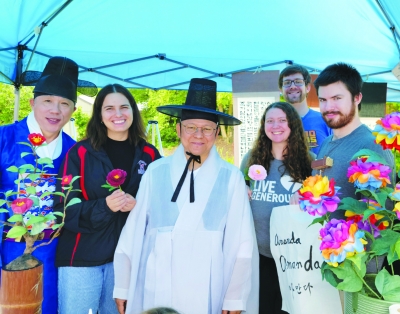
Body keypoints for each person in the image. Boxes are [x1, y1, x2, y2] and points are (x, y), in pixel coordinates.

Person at [113, 78, 258, 314]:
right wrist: (123, 284)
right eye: (191, 127)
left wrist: (234, 298)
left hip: (206, 283)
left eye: (207, 128)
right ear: (178, 129)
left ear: (217, 132)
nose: (198, 135)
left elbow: (241, 242)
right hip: (157, 279)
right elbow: (134, 231)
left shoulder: (231, 177)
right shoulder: (155, 171)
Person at [54, 84, 161, 314]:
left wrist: (139, 206)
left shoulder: (150, 155)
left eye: (124, 107)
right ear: (100, 115)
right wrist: (105, 206)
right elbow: (63, 210)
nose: (118, 114)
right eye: (109, 108)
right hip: (81, 259)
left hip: (127, 260)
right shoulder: (80, 153)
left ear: (133, 110)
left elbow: (165, 205)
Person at [0, 56, 94, 314]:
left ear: (73, 111)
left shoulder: (76, 153)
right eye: (48, 101)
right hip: (6, 249)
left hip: (52, 253)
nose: (55, 110)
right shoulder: (4, 139)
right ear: (32, 103)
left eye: (64, 103)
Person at [240, 102, 312, 314]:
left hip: (294, 259)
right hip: (259, 256)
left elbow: (322, 202)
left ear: (293, 125)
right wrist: (241, 189)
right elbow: (236, 192)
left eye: (282, 120)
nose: (275, 125)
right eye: (270, 121)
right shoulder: (251, 160)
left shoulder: (309, 163)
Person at [312, 62, 394, 206]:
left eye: (337, 98)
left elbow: (380, 217)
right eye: (323, 100)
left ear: (357, 98)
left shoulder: (373, 147)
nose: (328, 107)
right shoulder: (326, 142)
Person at [279, 65, 331, 155]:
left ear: (307, 88)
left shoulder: (325, 120)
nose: (292, 86)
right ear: (281, 90)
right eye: (287, 83)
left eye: (298, 82)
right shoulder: (274, 123)